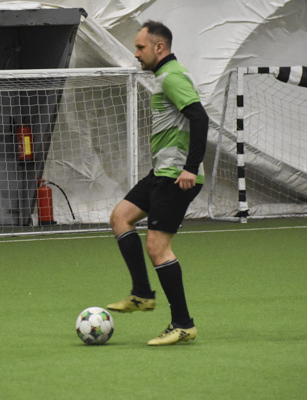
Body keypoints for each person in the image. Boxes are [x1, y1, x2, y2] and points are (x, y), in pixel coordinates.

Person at [106, 20, 209, 346]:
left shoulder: (172, 77)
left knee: (157, 247)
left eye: (140, 47)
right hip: (161, 173)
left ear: (159, 47)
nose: (136, 54)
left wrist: (190, 168)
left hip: (176, 176)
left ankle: (183, 324)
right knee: (120, 217)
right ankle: (141, 294)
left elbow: (200, 118)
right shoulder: (165, 76)